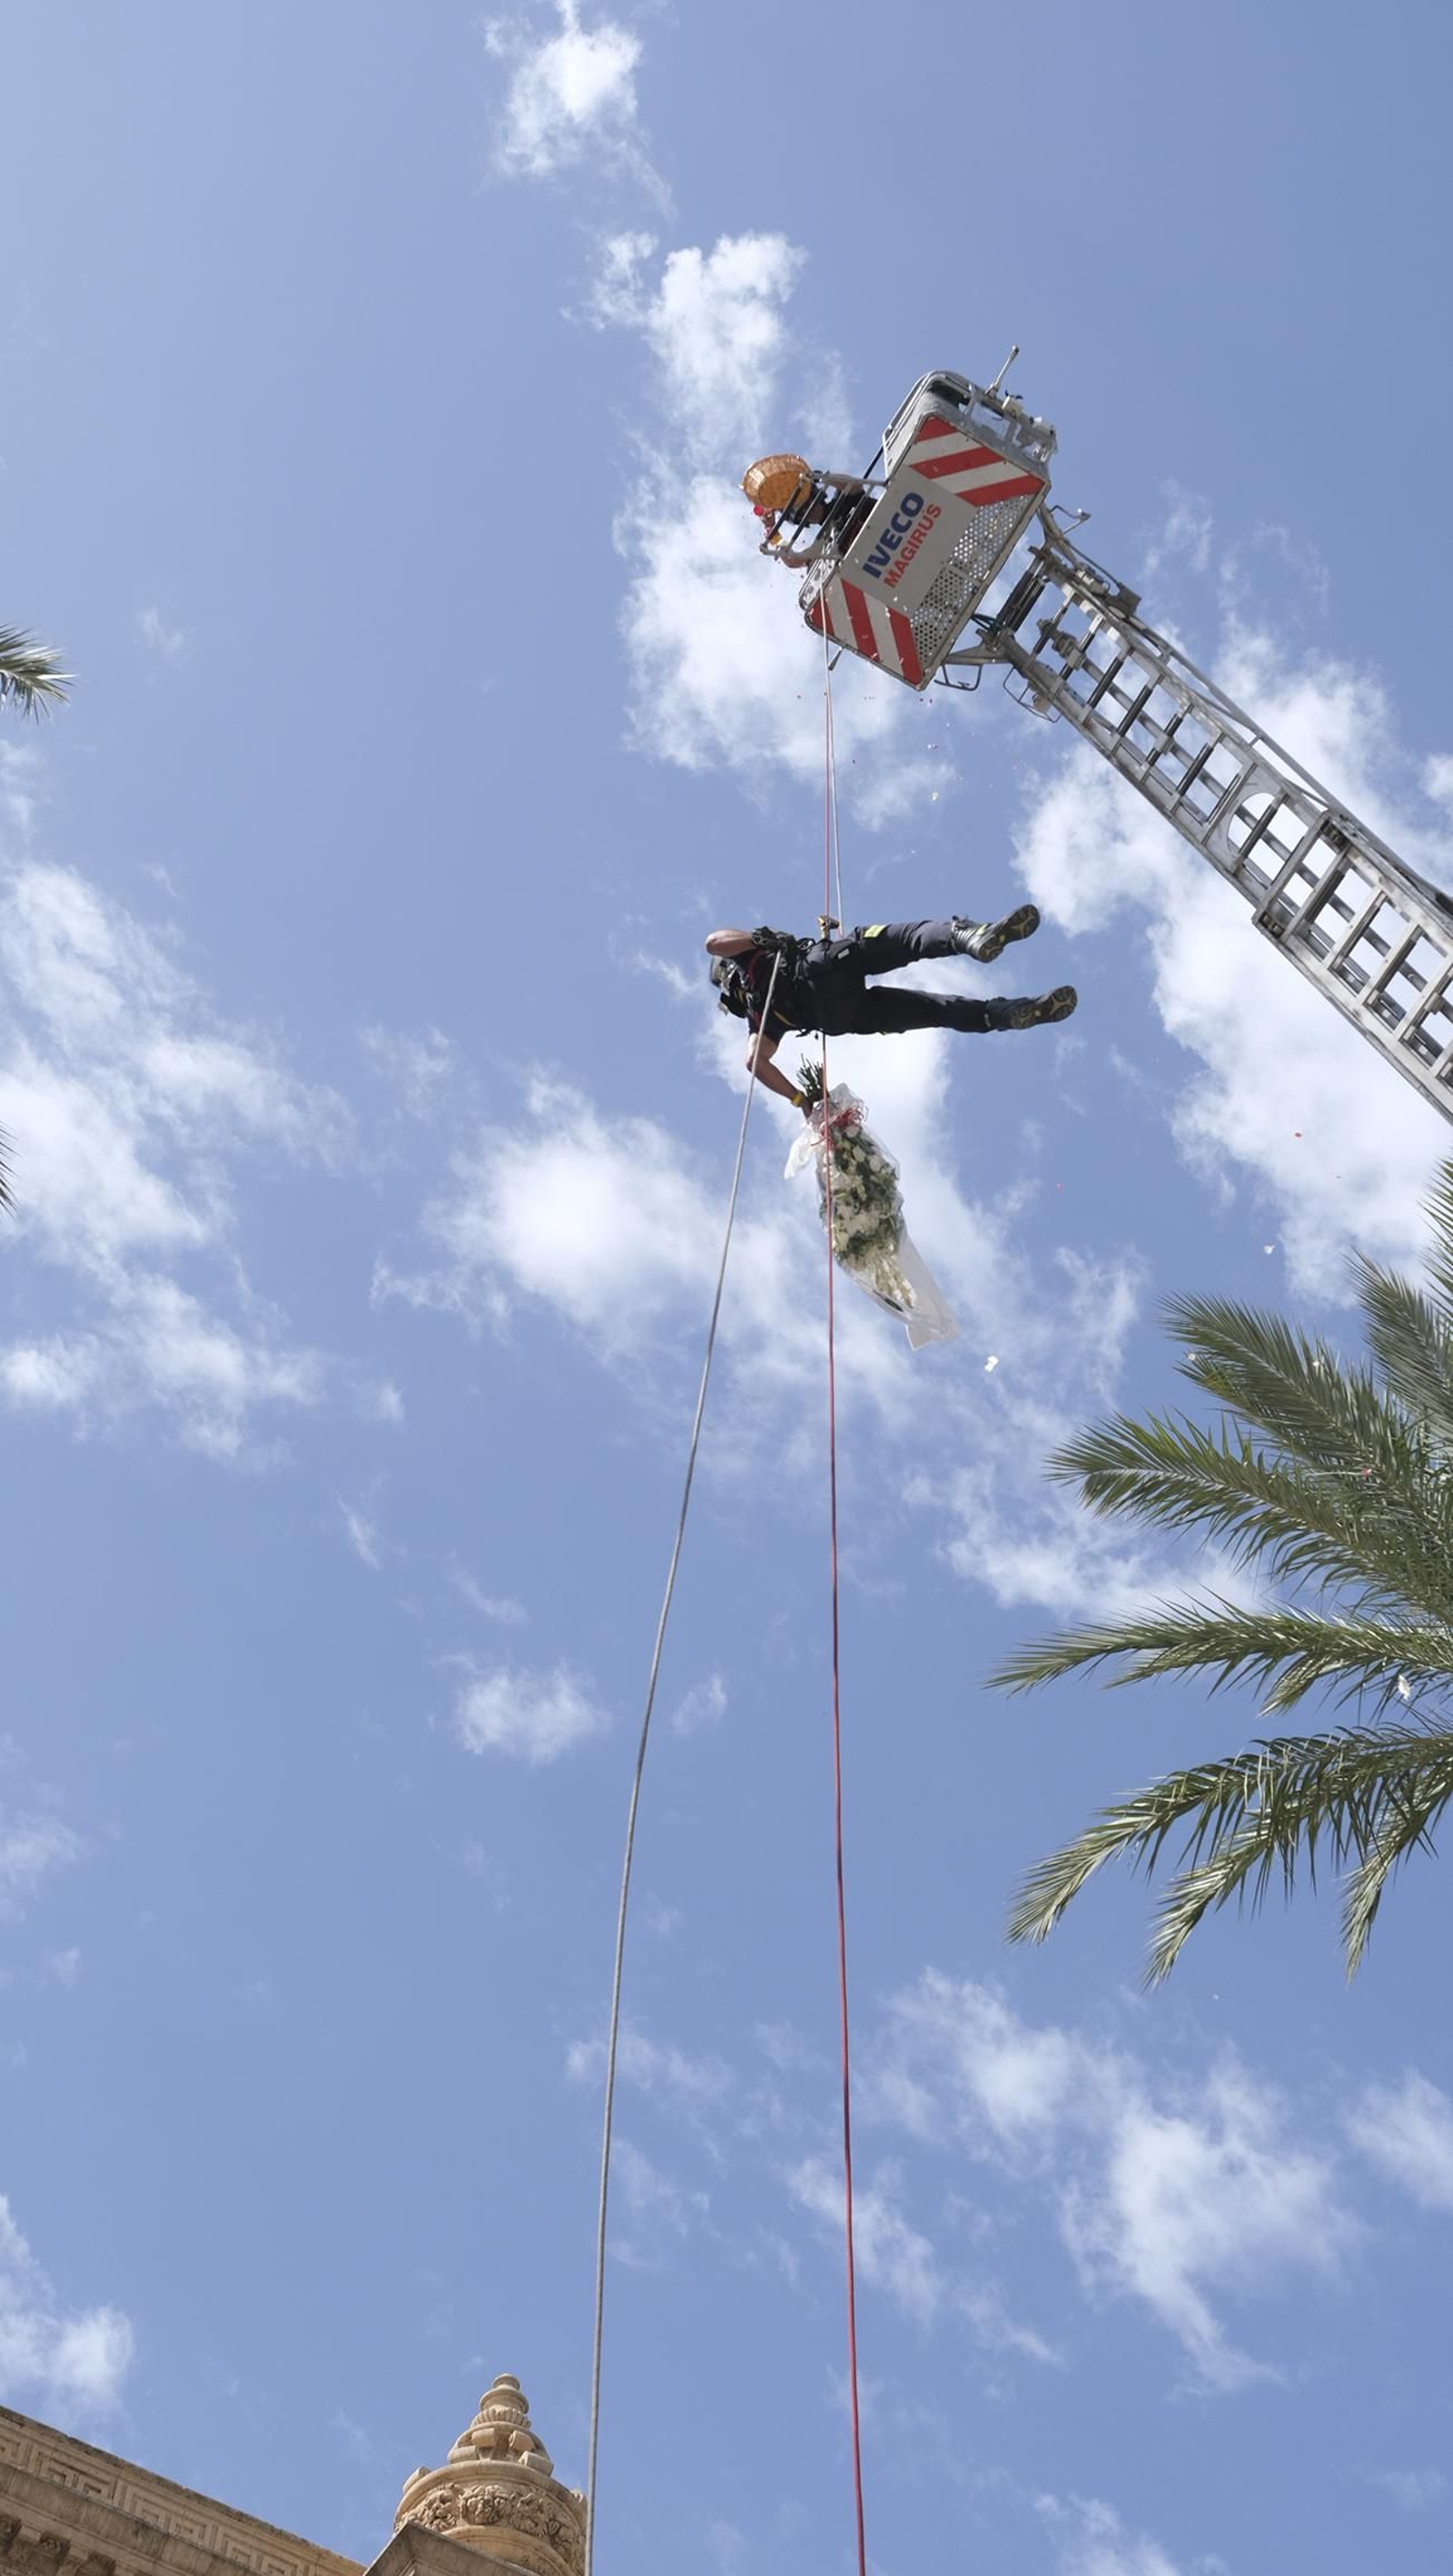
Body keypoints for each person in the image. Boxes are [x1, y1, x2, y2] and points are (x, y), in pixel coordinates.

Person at [705, 913, 1077, 1109]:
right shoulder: (752, 960)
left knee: (934, 1011)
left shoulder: (760, 1021)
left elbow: (755, 1062)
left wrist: (801, 1100)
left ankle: (1002, 1014)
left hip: (842, 1018)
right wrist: (760, 940)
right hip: (823, 968)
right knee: (908, 940)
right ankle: (967, 936)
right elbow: (713, 942)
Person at [741, 453, 873, 572]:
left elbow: (855, 485)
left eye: (809, 504)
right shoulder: (825, 539)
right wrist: (772, 530)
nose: (809, 513)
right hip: (871, 560)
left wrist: (821, 478)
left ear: (816, 496)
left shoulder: (843, 497)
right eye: (802, 515)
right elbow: (794, 560)